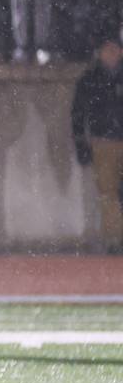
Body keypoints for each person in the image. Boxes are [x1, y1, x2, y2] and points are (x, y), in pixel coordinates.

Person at [71, 37, 123, 254]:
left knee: (109, 193)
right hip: (103, 141)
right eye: (107, 49)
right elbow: (78, 113)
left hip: (109, 137)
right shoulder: (90, 79)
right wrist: (81, 142)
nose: (111, 54)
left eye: (115, 50)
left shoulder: (92, 79)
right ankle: (115, 238)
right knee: (107, 192)